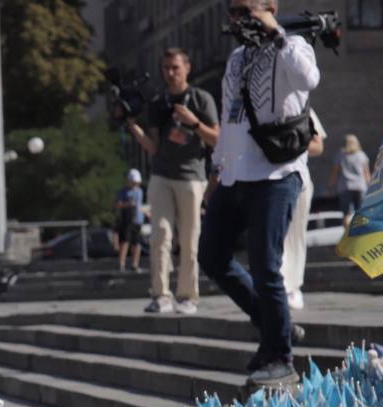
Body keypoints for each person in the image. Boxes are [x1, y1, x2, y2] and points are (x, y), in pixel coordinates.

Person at [199, 0, 320, 387]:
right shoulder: (235, 59)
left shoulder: (293, 46)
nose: (239, 18)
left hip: (276, 174)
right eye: (234, 11)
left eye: (248, 9)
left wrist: (275, 31)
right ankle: (273, 324)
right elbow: (228, 118)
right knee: (211, 256)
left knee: (266, 265)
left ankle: (280, 354)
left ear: (270, 8)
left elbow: (308, 79)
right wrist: (216, 173)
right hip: (235, 174)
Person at [127, 47, 219, 315]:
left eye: (175, 68)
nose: (170, 73)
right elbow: (154, 147)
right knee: (160, 236)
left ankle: (188, 296)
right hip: (161, 175)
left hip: (192, 177)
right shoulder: (158, 103)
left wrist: (193, 124)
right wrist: (135, 129)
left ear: (187, 68)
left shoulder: (201, 99)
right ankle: (160, 294)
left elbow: (217, 139)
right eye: (166, 68)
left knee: (190, 239)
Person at [281, 109, 327, 311]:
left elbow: (318, 146)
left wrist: (289, 141)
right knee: (273, 235)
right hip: (265, 178)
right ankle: (278, 284)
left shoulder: (303, 108)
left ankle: (293, 286)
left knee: (295, 234)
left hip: (297, 179)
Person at [329, 133, 371, 228]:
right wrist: (370, 187)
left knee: (347, 214)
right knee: (361, 212)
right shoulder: (362, 155)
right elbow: (367, 174)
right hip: (360, 186)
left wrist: (330, 185)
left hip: (345, 187)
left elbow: (335, 172)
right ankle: (360, 235)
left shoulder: (340, 155)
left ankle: (348, 235)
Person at [115, 169, 146, 274]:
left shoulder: (140, 191)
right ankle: (121, 264)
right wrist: (128, 204)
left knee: (137, 243)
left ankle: (135, 264)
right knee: (125, 242)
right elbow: (118, 204)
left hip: (138, 220)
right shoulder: (123, 191)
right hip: (127, 220)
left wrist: (145, 213)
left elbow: (140, 206)